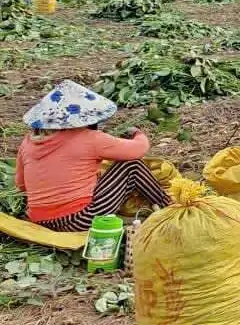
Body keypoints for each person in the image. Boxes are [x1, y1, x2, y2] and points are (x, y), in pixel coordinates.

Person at [14, 81, 169, 231]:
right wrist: (137, 133)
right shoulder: (88, 138)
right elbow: (138, 149)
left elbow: (21, 185)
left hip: (38, 220)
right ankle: (169, 206)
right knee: (131, 165)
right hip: (79, 220)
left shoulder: (27, 144)